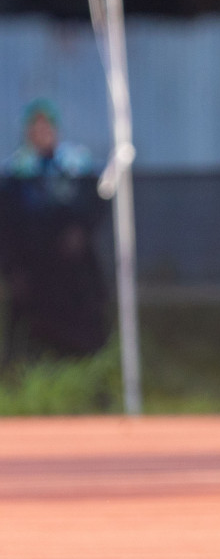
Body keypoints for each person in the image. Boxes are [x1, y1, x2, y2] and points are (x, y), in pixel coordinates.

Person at [0, 99, 110, 363]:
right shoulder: (17, 172)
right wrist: (12, 266)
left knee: (81, 319)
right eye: (35, 127)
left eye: (47, 126)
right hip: (33, 265)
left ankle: (85, 367)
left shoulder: (75, 165)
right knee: (30, 323)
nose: (42, 132)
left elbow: (95, 205)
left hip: (73, 267)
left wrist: (79, 232)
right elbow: (8, 225)